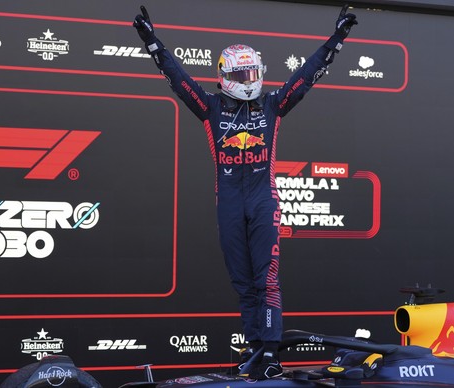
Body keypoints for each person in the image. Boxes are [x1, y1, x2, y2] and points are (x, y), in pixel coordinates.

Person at [133, 4, 357, 380]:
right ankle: (255, 347)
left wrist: (337, 39)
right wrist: (153, 43)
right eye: (241, 73)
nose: (248, 78)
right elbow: (178, 79)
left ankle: (271, 353)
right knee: (242, 283)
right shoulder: (210, 107)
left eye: (252, 72)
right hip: (229, 203)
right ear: (225, 76)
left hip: (262, 199)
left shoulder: (272, 105)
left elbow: (306, 77)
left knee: (266, 279)